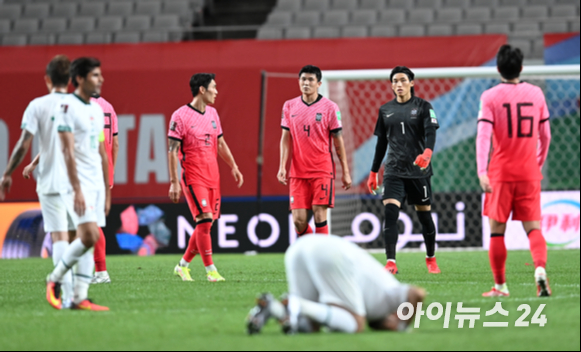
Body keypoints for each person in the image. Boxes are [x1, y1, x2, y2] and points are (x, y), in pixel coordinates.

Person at [0, 55, 76, 308]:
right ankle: (73, 292)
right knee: (76, 238)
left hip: (49, 182)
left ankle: (64, 292)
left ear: (47, 79)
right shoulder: (80, 105)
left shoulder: (37, 105)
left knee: (59, 238)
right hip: (77, 182)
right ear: (70, 80)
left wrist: (8, 173)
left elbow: (24, 143)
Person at [476, 45, 552, 298]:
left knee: (497, 231)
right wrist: (537, 164)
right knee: (534, 228)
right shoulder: (537, 93)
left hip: (500, 173)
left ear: (498, 68)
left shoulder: (489, 97)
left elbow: (483, 137)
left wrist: (481, 170)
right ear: (521, 68)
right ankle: (539, 269)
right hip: (529, 171)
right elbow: (546, 135)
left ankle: (500, 287)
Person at [246, 235, 426, 334]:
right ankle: (296, 304)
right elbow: (417, 294)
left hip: (298, 248)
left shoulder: (374, 306)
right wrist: (401, 324)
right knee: (356, 325)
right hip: (330, 254)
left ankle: (274, 307)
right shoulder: (388, 296)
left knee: (310, 326)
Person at [45, 57, 111, 311]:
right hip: (76, 183)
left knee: (89, 238)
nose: (101, 79)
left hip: (94, 183)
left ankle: (79, 297)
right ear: (80, 79)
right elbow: (67, 152)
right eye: (95, 75)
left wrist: (105, 191)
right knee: (89, 235)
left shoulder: (96, 109)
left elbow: (102, 152)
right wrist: (77, 188)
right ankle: (55, 278)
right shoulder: (66, 107)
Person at [168, 73, 243, 282]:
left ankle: (182, 266)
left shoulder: (213, 114)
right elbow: (172, 150)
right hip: (193, 176)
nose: (216, 92)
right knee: (205, 219)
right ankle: (211, 271)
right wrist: (174, 182)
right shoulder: (180, 116)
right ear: (202, 89)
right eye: (214, 87)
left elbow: (220, 143)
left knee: (206, 225)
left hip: (213, 177)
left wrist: (234, 166)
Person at [367, 66, 441, 275]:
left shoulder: (424, 107)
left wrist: (427, 153)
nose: (398, 85)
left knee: (424, 217)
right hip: (393, 170)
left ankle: (430, 258)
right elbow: (381, 143)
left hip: (419, 170)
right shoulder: (385, 110)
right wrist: (374, 172)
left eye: (402, 80)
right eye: (395, 81)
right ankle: (391, 262)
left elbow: (430, 132)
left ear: (411, 82)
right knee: (390, 212)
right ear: (391, 85)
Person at [277, 65, 352, 237]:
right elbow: (285, 139)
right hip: (297, 172)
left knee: (319, 215)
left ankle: (321, 261)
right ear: (299, 81)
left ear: (319, 84)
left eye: (311, 79)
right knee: (298, 221)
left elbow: (338, 140)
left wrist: (345, 171)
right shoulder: (289, 106)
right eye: (303, 79)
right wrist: (282, 166)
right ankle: (315, 247)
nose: (306, 82)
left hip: (322, 170)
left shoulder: (330, 107)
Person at [90, 95, 119, 284]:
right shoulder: (109, 107)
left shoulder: (82, 105)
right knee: (92, 222)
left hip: (88, 170)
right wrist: (111, 171)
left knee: (89, 223)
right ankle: (97, 271)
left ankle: (100, 272)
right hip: (104, 170)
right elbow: (115, 144)